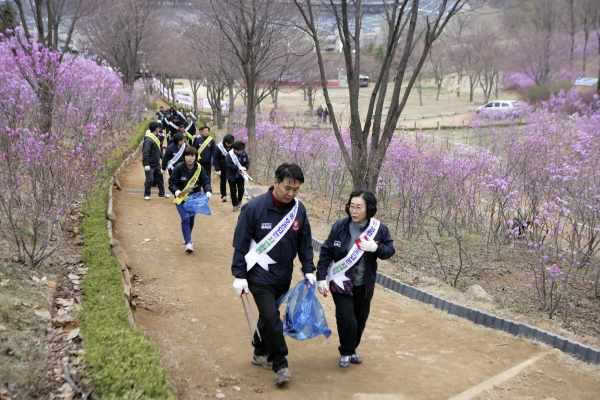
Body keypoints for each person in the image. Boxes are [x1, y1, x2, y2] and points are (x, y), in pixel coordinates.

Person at [231, 163, 316, 387]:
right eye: (287, 187)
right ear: (275, 182)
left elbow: (304, 243)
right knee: (271, 316)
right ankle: (280, 363)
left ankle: (259, 350)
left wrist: (309, 269)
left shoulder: (299, 210)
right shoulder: (254, 208)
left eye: (296, 189)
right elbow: (240, 244)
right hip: (258, 275)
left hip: (283, 275)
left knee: (268, 314)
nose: (291, 193)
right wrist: (239, 275)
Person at [316, 189, 395, 368]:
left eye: (359, 207)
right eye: (352, 206)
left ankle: (351, 349)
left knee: (360, 319)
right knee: (346, 318)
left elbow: (389, 251)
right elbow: (327, 251)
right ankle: (346, 351)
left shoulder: (379, 229)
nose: (354, 211)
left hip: (363, 284)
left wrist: (375, 248)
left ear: (369, 209)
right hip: (340, 281)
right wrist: (321, 276)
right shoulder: (339, 227)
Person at [168, 146, 212, 253]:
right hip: (181, 198)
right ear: (184, 157)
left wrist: (208, 191)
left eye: (192, 156)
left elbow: (205, 181)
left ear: (196, 157)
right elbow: (172, 183)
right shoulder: (178, 168)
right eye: (187, 155)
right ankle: (188, 243)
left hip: (194, 199)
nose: (190, 158)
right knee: (186, 219)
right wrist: (176, 191)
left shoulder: (200, 169)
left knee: (191, 219)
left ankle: (187, 236)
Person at [142, 122, 169, 200]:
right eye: (159, 128)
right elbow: (146, 152)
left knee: (161, 178)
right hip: (149, 164)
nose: (159, 129)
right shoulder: (148, 139)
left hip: (156, 163)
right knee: (149, 180)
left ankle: (162, 192)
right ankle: (147, 194)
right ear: (156, 128)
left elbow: (158, 151)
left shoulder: (155, 137)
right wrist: (146, 163)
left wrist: (162, 157)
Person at [225, 140, 249, 212]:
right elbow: (228, 164)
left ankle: (239, 201)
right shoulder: (230, 154)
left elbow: (247, 163)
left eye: (241, 150)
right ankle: (235, 205)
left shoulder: (244, 154)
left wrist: (245, 168)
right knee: (233, 191)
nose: (239, 152)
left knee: (241, 189)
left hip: (241, 176)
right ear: (234, 149)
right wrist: (237, 168)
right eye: (238, 150)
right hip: (232, 176)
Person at [213, 134, 235, 202]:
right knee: (223, 182)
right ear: (225, 142)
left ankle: (233, 194)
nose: (229, 145)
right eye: (228, 143)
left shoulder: (234, 147)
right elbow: (215, 159)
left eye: (231, 143)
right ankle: (224, 195)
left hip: (231, 168)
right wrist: (217, 169)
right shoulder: (219, 147)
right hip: (222, 168)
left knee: (232, 182)